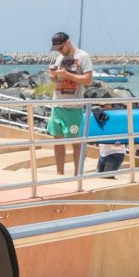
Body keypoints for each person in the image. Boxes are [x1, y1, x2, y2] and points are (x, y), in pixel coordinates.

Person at [46, 29, 94, 173]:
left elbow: (88, 80)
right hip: (57, 105)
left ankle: (77, 174)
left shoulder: (83, 56)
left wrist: (66, 74)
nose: (59, 51)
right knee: (57, 141)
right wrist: (53, 75)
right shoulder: (59, 58)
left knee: (76, 142)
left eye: (61, 48)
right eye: (56, 49)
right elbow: (56, 81)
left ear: (68, 42)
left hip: (74, 107)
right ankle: (59, 172)